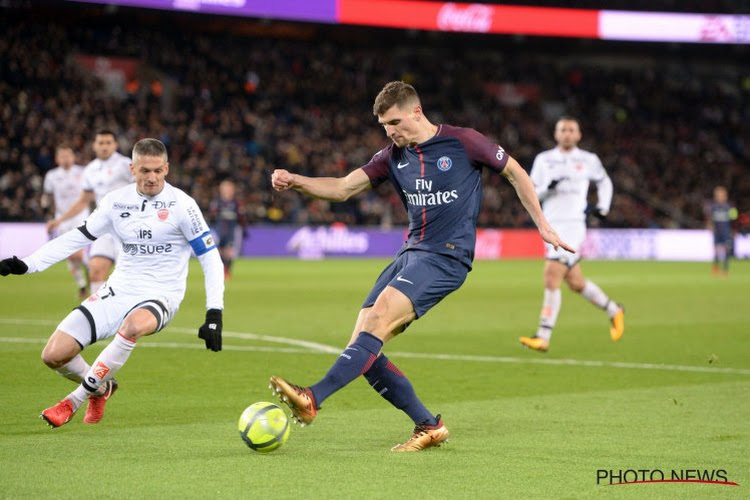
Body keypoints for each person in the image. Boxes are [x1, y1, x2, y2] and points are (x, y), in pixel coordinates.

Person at [269, 81, 573, 452]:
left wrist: (541, 222)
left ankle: (312, 398)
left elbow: (515, 172)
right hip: (410, 254)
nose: (390, 131)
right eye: (383, 126)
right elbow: (344, 188)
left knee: (377, 321)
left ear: (416, 111)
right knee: (363, 345)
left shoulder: (464, 142)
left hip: (447, 256)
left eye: (394, 122)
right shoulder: (391, 158)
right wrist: (295, 180)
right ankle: (428, 425)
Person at [0, 138, 225, 428]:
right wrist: (30, 264)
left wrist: (214, 313)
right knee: (54, 355)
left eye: (158, 171)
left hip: (161, 294)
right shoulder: (116, 202)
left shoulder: (183, 205)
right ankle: (102, 388)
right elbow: (76, 238)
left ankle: (73, 400)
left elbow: (210, 258)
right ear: (132, 169)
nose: (152, 177)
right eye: (145, 170)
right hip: (118, 290)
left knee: (132, 326)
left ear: (167, 169)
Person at [519, 117, 624, 353]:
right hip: (549, 225)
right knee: (576, 283)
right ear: (556, 134)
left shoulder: (588, 160)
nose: (567, 133)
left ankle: (543, 335)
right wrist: (548, 188)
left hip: (574, 226)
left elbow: (604, 181)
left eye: (571, 130)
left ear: (578, 135)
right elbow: (531, 192)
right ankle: (614, 310)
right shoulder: (544, 160)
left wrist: (603, 207)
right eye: (562, 130)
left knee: (551, 276)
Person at [47, 130, 133, 295]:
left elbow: (143, 188)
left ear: (115, 145)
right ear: (94, 146)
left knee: (128, 277)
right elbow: (83, 201)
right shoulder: (90, 170)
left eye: (108, 142)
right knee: (95, 271)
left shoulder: (125, 164)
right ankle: (101, 315)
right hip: (105, 228)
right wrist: (59, 220)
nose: (104, 146)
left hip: (127, 228)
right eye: (101, 143)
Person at [42, 145, 90, 298]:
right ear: (57, 159)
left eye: (68, 155)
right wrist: (48, 216)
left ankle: (94, 277)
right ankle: (83, 285)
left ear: (73, 157)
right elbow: (47, 197)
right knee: (71, 256)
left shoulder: (83, 172)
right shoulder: (51, 176)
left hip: (80, 216)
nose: (65, 159)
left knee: (78, 253)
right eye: (62, 156)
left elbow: (89, 195)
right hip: (61, 218)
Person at [209, 179, 245, 278]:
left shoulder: (236, 202)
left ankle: (227, 271)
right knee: (219, 250)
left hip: (231, 230)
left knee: (229, 251)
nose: (227, 190)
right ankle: (220, 270)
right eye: (225, 188)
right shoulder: (217, 202)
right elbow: (212, 216)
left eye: (229, 188)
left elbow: (241, 217)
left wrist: (243, 227)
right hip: (219, 229)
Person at [707, 186, 737, 277]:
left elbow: (734, 220)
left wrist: (734, 231)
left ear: (725, 196)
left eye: (721, 196)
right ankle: (716, 267)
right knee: (716, 250)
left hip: (726, 232)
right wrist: (710, 227)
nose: (720, 197)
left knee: (726, 250)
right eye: (718, 196)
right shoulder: (713, 207)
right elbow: (710, 219)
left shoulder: (730, 207)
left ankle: (725, 269)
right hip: (717, 232)